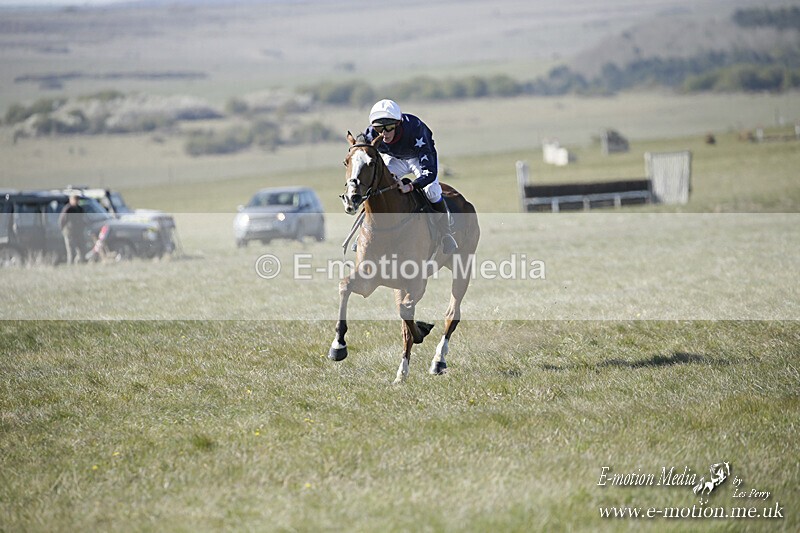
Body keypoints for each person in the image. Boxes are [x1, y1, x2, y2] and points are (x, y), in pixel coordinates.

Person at [364, 99, 458, 254]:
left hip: (417, 157)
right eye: (379, 128)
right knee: (374, 188)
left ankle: (446, 233)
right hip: (394, 158)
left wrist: (410, 186)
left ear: (399, 123)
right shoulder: (370, 134)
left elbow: (430, 173)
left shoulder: (416, 130)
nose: (384, 133)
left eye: (389, 127)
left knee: (432, 191)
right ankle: (364, 233)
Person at [59, 195, 88, 264]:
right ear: (70, 200)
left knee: (81, 248)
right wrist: (64, 230)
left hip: (79, 232)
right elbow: (62, 221)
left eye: (77, 200)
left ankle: (81, 262)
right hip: (70, 232)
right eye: (74, 200)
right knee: (71, 250)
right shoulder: (67, 209)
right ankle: (70, 263)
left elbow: (83, 219)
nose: (76, 201)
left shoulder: (80, 209)